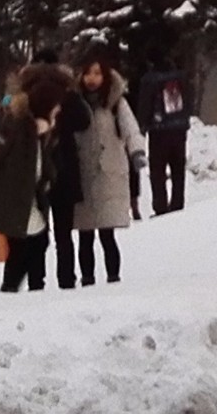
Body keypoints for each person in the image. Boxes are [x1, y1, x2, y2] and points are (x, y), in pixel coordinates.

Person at [0, 85, 56, 292]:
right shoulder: (20, 126)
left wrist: (48, 177)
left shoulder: (37, 130)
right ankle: (19, 287)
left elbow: (42, 161)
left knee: (31, 242)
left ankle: (26, 286)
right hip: (16, 197)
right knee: (29, 243)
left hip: (28, 196)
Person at [70, 53, 144, 285]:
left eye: (97, 73)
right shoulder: (74, 103)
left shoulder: (115, 103)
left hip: (109, 173)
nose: (92, 78)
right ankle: (87, 279)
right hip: (83, 174)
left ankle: (113, 278)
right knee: (85, 234)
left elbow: (130, 127)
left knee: (107, 233)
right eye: (88, 73)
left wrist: (137, 151)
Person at [25, 53, 91, 289]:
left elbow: (9, 122)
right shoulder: (68, 93)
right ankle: (66, 279)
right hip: (65, 167)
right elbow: (85, 121)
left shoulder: (25, 93)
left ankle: (35, 280)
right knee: (64, 233)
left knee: (35, 231)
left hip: (34, 169)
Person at [136, 69, 191, 214]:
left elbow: (145, 105)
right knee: (178, 168)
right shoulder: (180, 76)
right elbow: (189, 99)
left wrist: (143, 124)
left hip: (159, 131)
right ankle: (178, 203)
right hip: (179, 128)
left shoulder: (149, 79)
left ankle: (160, 205)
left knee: (158, 171)